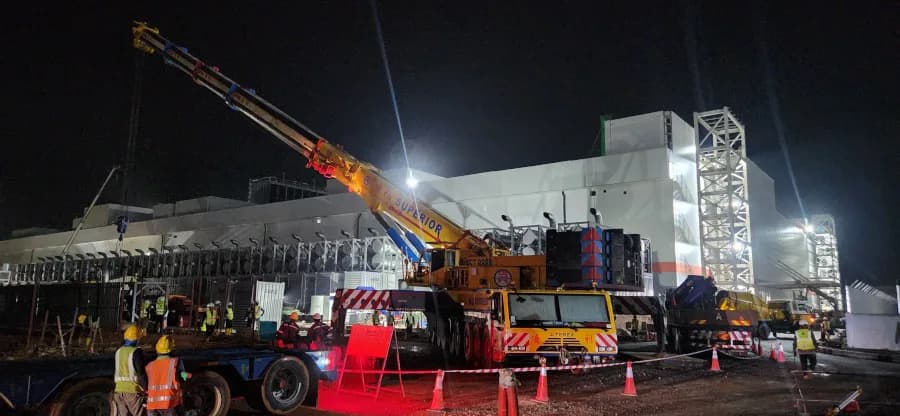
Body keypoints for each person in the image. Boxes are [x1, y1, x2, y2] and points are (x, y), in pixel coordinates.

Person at [145, 336, 190, 416]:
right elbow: (183, 379)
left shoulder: (149, 366)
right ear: (171, 350)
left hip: (152, 406)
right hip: (169, 404)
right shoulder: (175, 362)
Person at [112, 325, 147, 416]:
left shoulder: (118, 351)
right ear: (137, 339)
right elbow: (141, 372)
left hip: (118, 391)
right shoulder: (136, 352)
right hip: (132, 391)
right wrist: (147, 388)